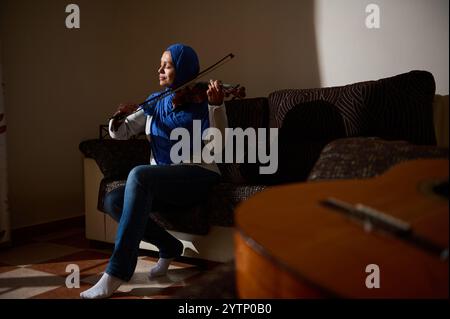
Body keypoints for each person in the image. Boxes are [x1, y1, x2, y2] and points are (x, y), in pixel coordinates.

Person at [80, 43, 228, 299]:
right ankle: (169, 246)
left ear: (184, 69)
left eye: (167, 65)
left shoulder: (203, 100)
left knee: (139, 174)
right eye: (160, 64)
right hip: (163, 180)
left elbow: (221, 144)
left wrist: (216, 107)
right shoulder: (154, 102)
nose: (159, 69)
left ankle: (116, 272)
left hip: (198, 175)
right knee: (113, 199)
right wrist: (119, 115)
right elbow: (120, 133)